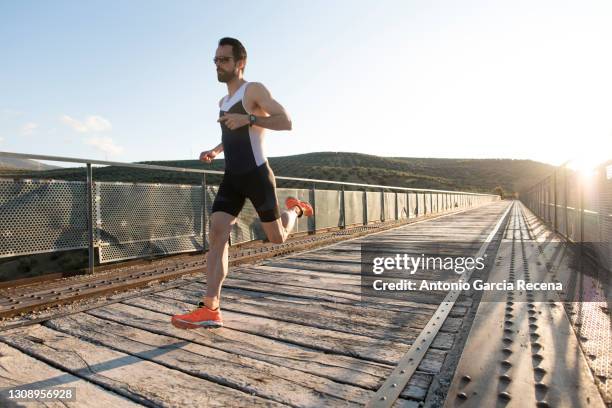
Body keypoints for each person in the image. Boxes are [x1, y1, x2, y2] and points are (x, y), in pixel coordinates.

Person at [171, 37, 313, 329]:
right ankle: (210, 307)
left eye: (224, 60)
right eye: (216, 60)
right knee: (218, 232)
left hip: (257, 175)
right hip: (232, 177)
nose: (218, 65)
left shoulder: (254, 90)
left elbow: (286, 121)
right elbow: (231, 135)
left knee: (276, 238)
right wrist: (215, 150)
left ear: (240, 63)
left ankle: (296, 210)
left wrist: (249, 118)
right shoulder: (222, 102)